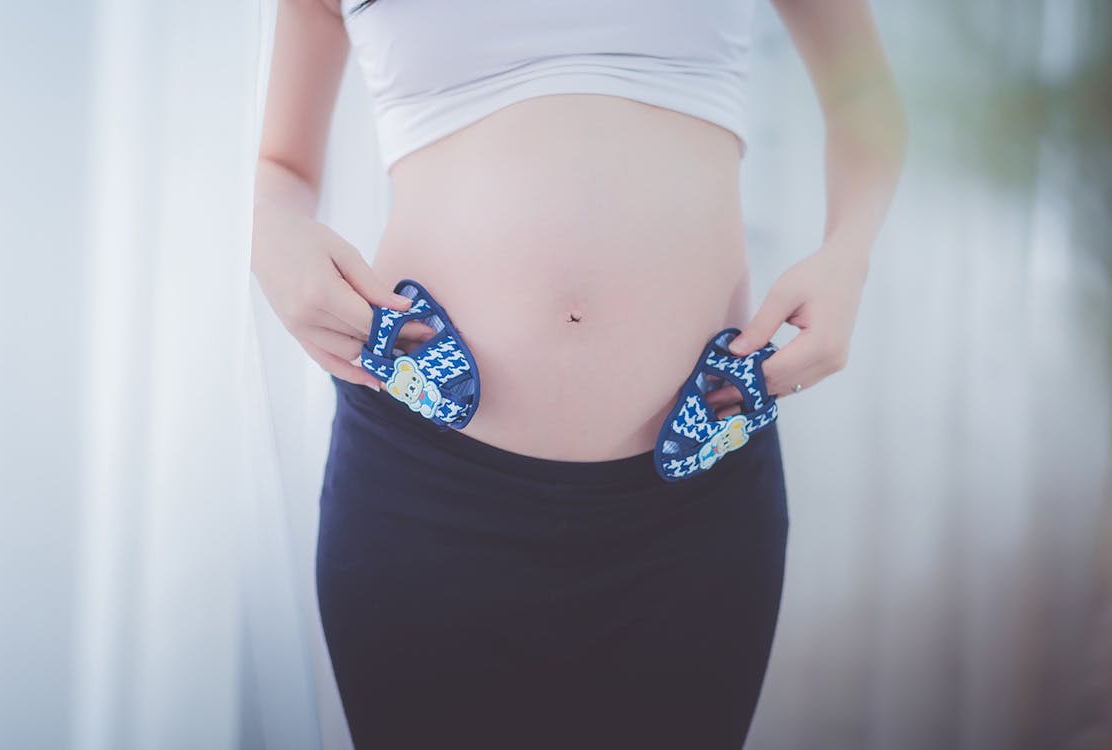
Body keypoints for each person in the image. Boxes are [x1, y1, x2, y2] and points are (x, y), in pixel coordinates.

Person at [251, 0, 907, 747]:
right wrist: (271, 233)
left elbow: (863, 99)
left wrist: (848, 254)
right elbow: (282, 165)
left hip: (694, 492)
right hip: (420, 489)